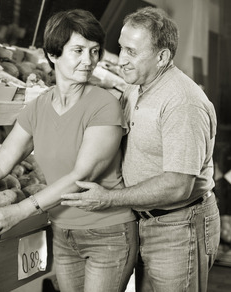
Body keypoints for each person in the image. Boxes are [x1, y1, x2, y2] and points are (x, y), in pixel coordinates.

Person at [0, 9, 138, 292]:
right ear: (53, 54)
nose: (88, 61)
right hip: (62, 232)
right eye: (78, 51)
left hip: (106, 235)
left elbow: (81, 177)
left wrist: (19, 211)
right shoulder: (39, 107)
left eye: (94, 51)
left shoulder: (104, 104)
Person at [61, 7, 220, 292]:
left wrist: (109, 198)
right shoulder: (137, 87)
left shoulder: (182, 102)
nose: (121, 59)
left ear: (162, 57)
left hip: (178, 226)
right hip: (143, 220)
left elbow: (178, 185)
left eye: (131, 52)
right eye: (121, 48)